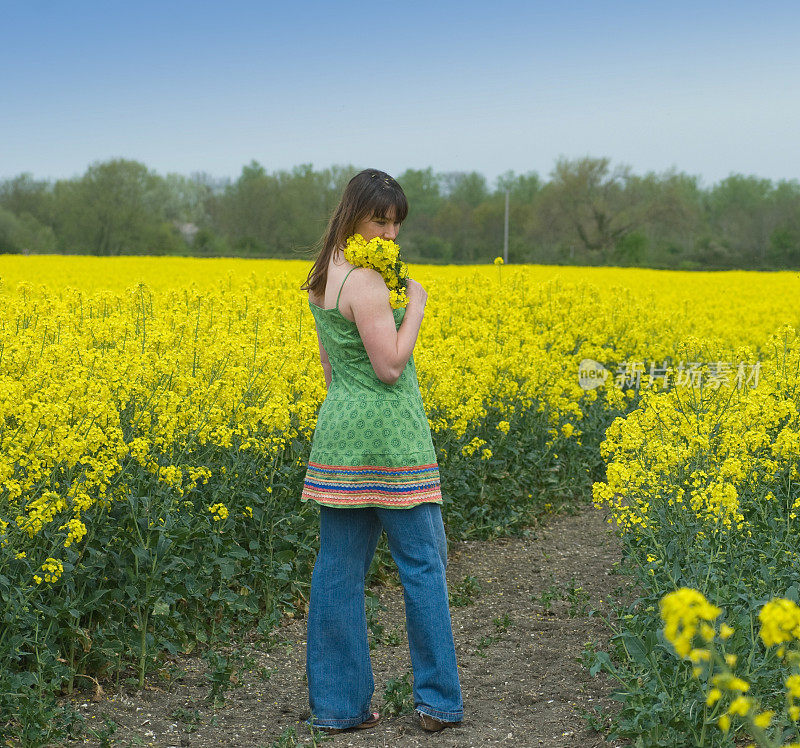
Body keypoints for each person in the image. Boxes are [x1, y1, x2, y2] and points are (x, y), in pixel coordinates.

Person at [298, 169, 464, 734]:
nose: (390, 234)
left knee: (339, 572)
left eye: (396, 222)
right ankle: (439, 702)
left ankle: (340, 707)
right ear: (353, 216)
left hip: (341, 441)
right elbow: (390, 367)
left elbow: (331, 372)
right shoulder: (369, 283)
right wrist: (415, 302)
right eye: (380, 220)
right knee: (423, 566)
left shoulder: (325, 278)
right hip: (393, 442)